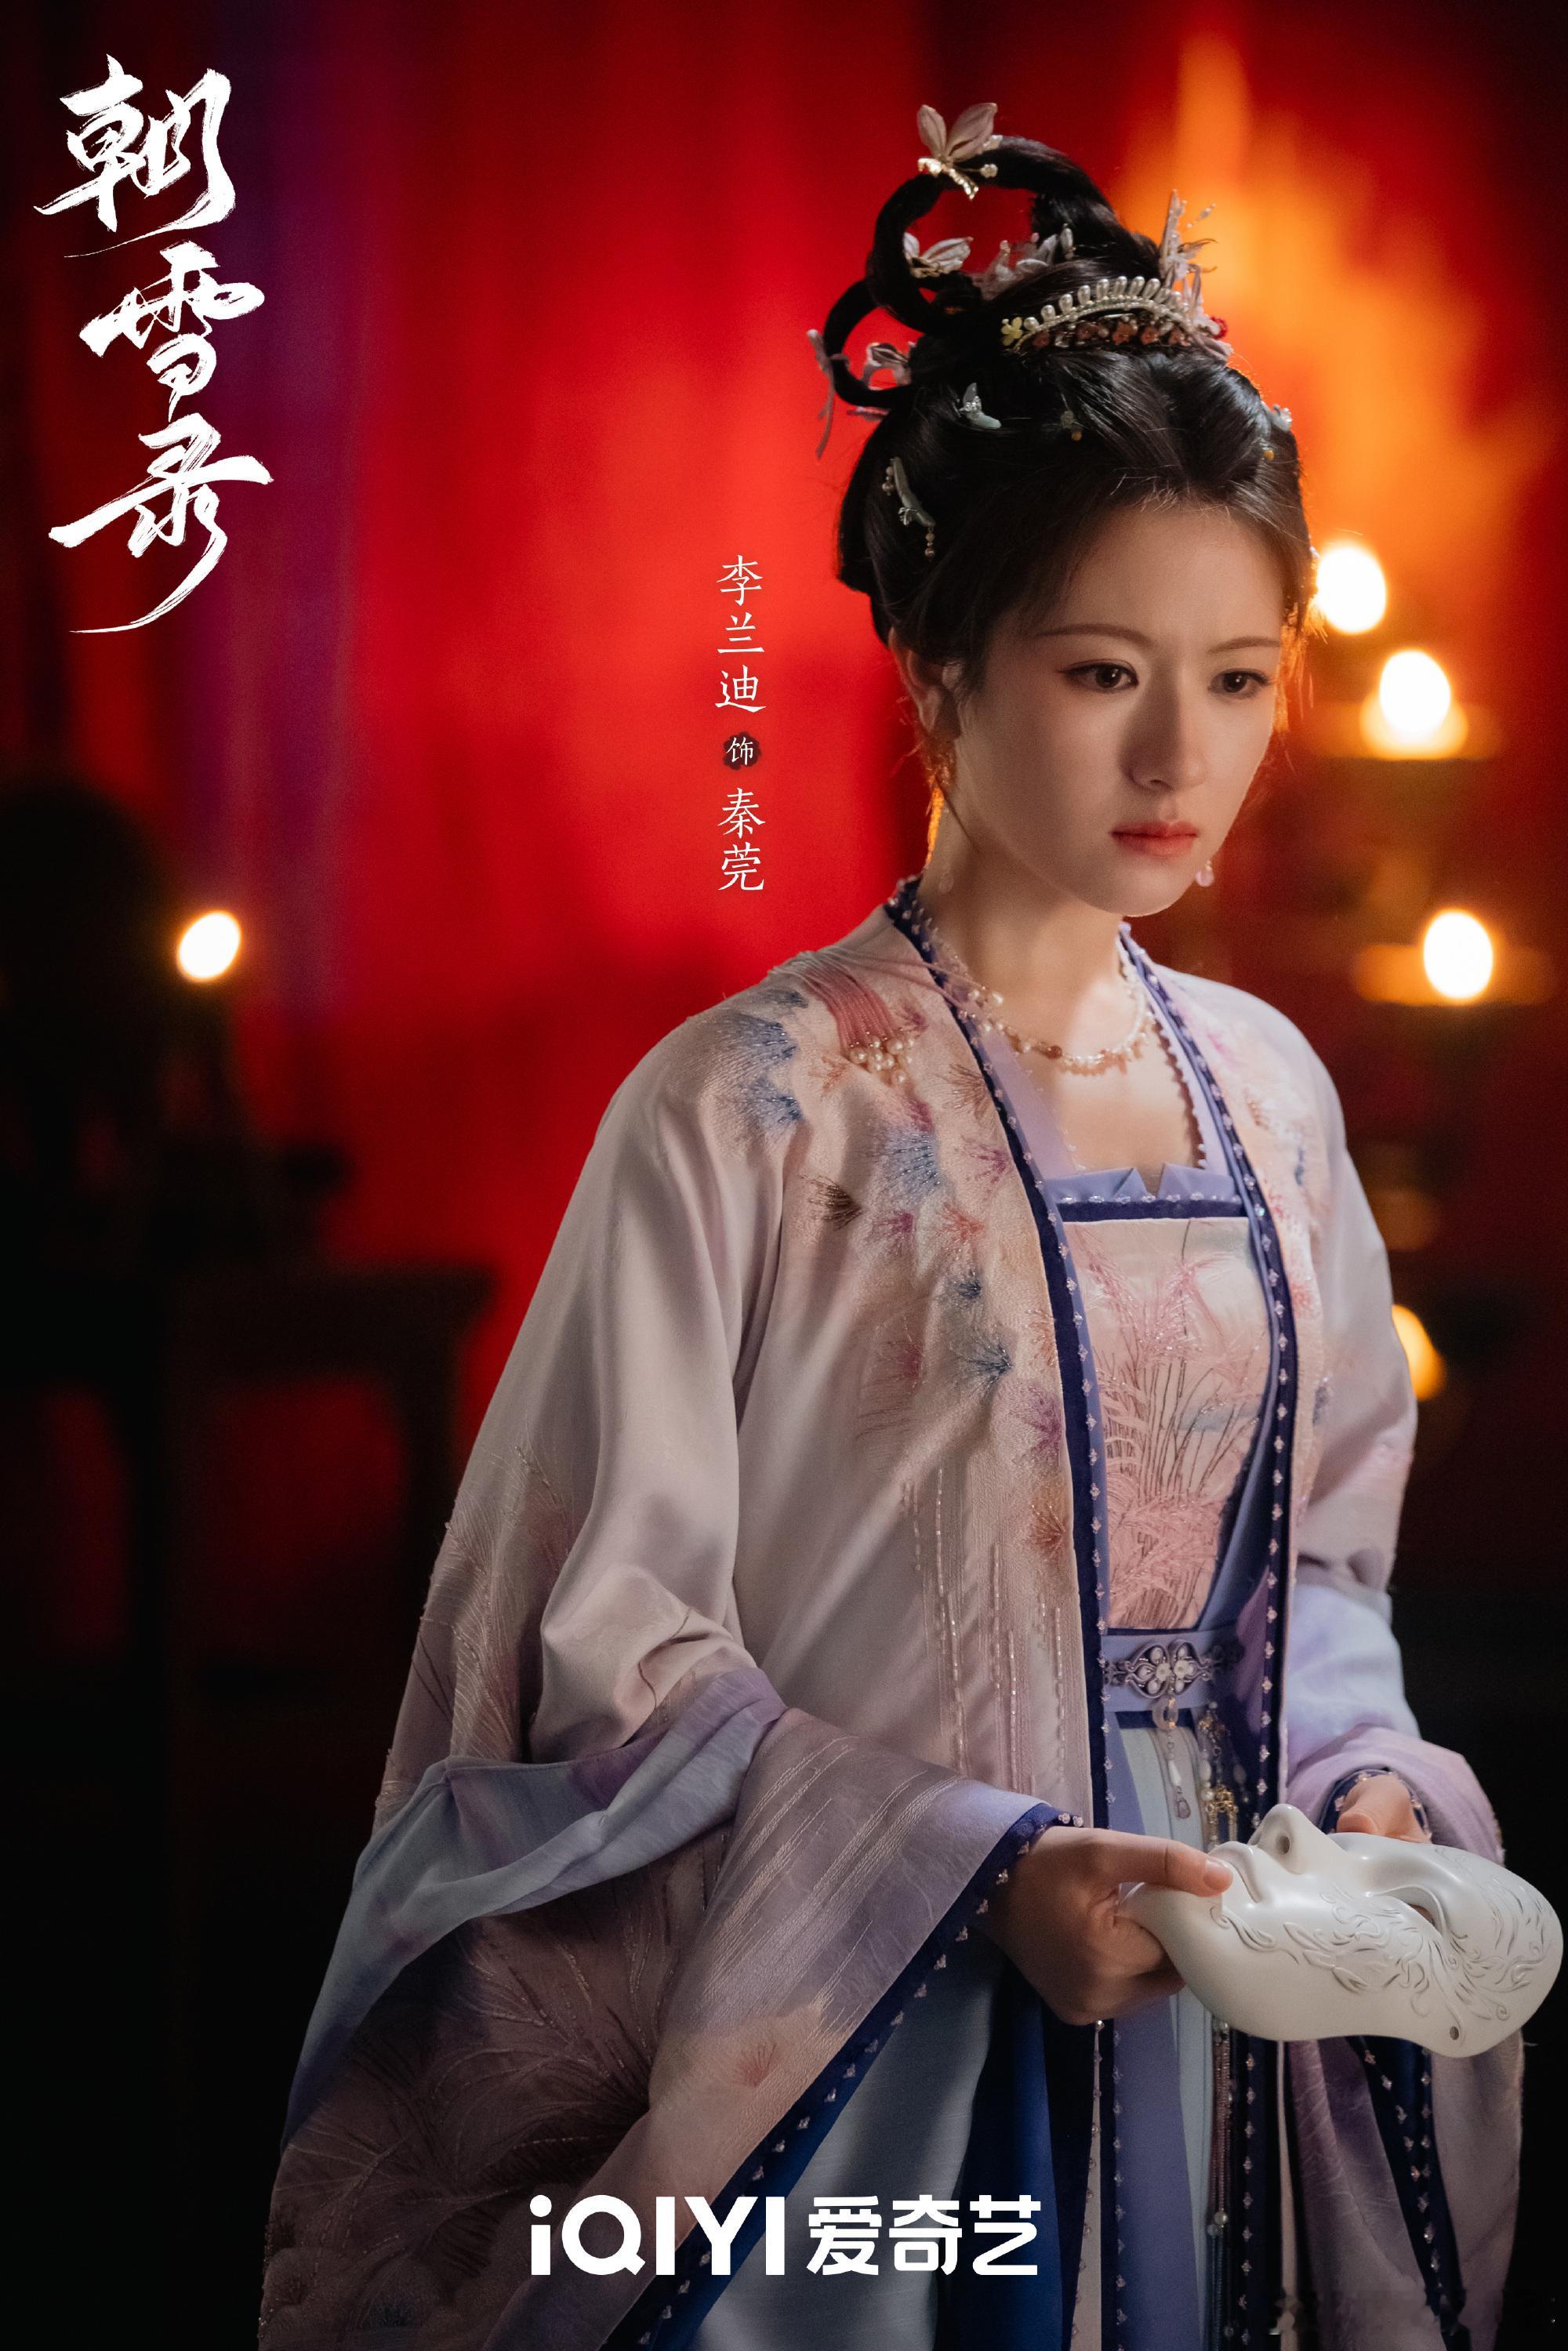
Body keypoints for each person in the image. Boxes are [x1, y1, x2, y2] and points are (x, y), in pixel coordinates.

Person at [260, 103, 1521, 2351]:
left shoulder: (1271, 1095)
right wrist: (984, 1874)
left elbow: (1321, 1562)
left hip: (1234, 2003)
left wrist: (1365, 1795)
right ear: (941, 672)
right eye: (1101, 671)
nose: (1183, 758)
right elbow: (615, 1658)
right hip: (884, 2035)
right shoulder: (750, 1112)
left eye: (1239, 679)